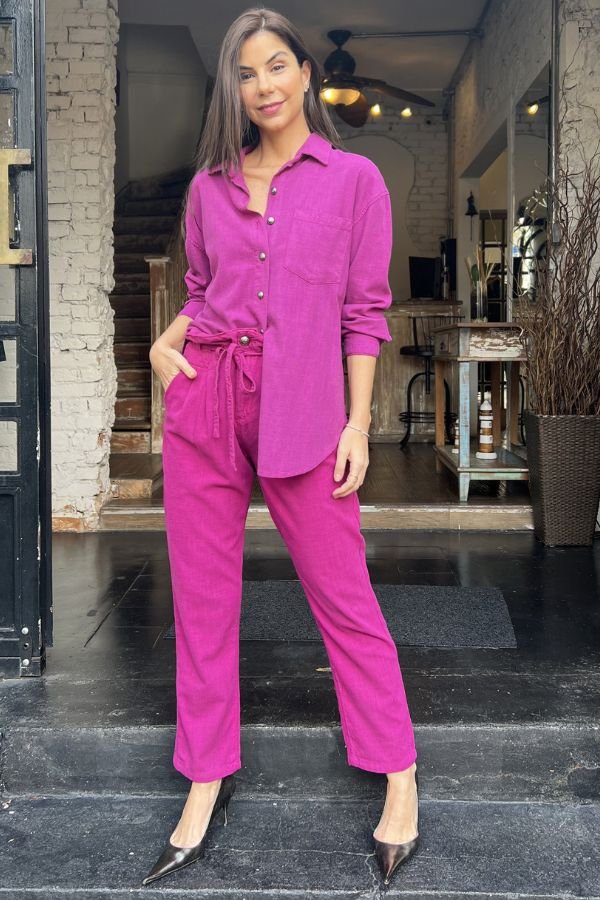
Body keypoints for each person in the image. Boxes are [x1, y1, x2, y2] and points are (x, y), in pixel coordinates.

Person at [142, 6, 420, 890]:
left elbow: (364, 313)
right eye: (244, 74)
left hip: (306, 409)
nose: (261, 86)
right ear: (233, 89)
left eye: (275, 66)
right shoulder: (209, 188)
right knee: (202, 602)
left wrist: (357, 425)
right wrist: (163, 348)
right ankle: (205, 775)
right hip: (207, 400)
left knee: (344, 594)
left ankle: (399, 770)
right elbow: (203, 290)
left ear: (304, 72)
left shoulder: (355, 181)